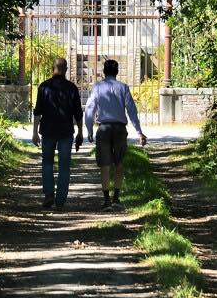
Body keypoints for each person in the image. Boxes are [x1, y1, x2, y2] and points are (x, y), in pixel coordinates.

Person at [82, 58, 148, 208]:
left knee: (104, 165)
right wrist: (139, 132)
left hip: (104, 128)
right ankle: (116, 198)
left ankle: (106, 200)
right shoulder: (123, 87)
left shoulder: (98, 87)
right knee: (119, 164)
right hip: (119, 129)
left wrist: (89, 130)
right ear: (117, 72)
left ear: (104, 72)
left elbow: (90, 109)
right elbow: (131, 110)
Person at [30, 57, 84, 209]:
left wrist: (34, 132)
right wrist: (80, 132)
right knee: (64, 166)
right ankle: (60, 201)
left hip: (47, 131)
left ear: (52, 68)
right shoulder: (72, 88)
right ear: (66, 70)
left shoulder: (44, 87)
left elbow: (37, 112)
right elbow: (78, 113)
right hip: (66, 132)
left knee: (47, 163)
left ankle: (48, 195)